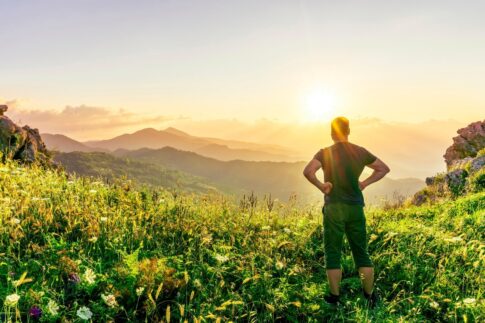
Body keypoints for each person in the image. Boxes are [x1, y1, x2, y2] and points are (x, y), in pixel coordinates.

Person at [303, 116, 390, 308]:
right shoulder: (360, 152)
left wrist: (322, 186)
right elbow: (383, 169)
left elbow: (308, 171)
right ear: (348, 131)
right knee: (361, 253)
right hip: (355, 207)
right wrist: (364, 183)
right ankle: (369, 296)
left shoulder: (325, 152)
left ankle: (334, 298)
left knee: (332, 253)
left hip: (334, 207)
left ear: (332, 133)